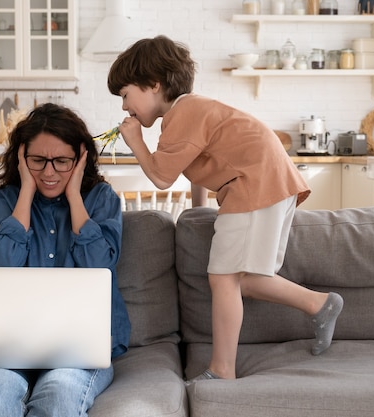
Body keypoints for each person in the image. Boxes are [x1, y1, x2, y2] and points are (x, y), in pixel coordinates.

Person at [107, 35, 343, 380]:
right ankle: (319, 304)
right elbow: (202, 163)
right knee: (246, 280)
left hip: (254, 183)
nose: (124, 107)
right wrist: (197, 209)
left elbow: (160, 177)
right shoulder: (192, 110)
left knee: (223, 279)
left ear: (153, 85)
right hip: (272, 182)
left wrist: (136, 142)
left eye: (126, 95)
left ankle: (222, 370)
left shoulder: (182, 114)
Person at [0, 103, 131, 416]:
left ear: (80, 158)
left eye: (62, 161)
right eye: (37, 161)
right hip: (8, 345)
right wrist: (26, 191)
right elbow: (0, 267)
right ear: (22, 159)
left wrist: (75, 197)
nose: (49, 172)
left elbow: (100, 266)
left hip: (79, 351)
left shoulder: (101, 199)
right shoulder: (10, 199)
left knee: (59, 401)